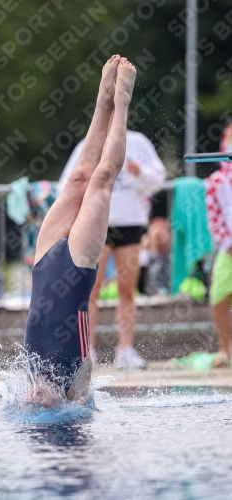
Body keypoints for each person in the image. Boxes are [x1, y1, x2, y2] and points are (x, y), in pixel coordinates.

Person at [24, 55, 137, 405]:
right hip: (77, 268)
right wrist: (66, 400)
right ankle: (121, 102)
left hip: (44, 263)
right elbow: (81, 408)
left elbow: (29, 401)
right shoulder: (78, 377)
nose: (37, 397)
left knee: (76, 178)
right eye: (41, 399)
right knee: (101, 179)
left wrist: (32, 397)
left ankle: (102, 99)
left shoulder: (29, 377)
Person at [58, 104, 166, 370]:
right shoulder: (90, 143)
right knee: (90, 290)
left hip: (130, 224)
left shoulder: (138, 143)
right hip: (97, 224)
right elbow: (68, 182)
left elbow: (159, 178)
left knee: (126, 290)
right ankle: (87, 349)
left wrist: (141, 174)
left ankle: (125, 349)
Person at [205, 123, 232, 368]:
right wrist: (228, 243)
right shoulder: (215, 182)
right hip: (228, 249)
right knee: (218, 297)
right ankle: (225, 349)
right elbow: (215, 220)